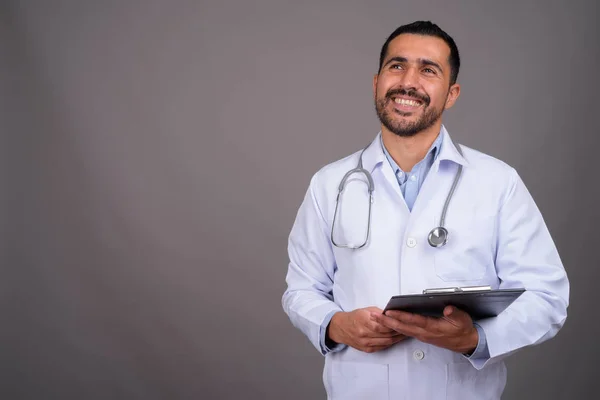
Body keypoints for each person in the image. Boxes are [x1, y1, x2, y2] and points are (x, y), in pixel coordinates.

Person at [281, 21, 569, 399]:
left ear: (451, 94)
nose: (408, 81)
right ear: (376, 82)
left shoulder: (499, 182)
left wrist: (476, 338)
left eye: (428, 70)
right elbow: (301, 289)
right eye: (396, 66)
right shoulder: (329, 183)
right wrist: (335, 324)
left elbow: (547, 297)